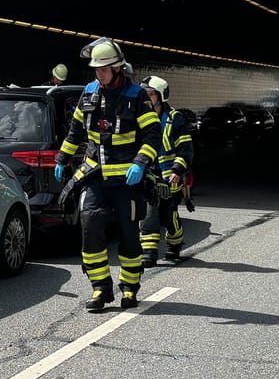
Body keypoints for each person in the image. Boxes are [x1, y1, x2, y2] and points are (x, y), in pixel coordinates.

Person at [54, 38, 160, 312]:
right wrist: (62, 157)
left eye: (103, 70)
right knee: (90, 228)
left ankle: (129, 288)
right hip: (95, 176)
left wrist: (140, 162)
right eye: (96, 70)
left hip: (127, 179)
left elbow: (152, 135)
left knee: (128, 235)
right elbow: (76, 130)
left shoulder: (136, 96)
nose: (98, 74)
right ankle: (100, 289)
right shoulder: (89, 92)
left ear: (117, 68)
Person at [138, 76, 195, 267]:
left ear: (161, 97)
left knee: (168, 215)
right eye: (144, 95)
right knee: (149, 213)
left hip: (171, 177)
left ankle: (174, 244)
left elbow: (186, 149)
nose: (147, 99)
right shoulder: (139, 118)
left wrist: (178, 170)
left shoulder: (174, 119)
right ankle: (149, 253)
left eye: (151, 95)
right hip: (149, 176)